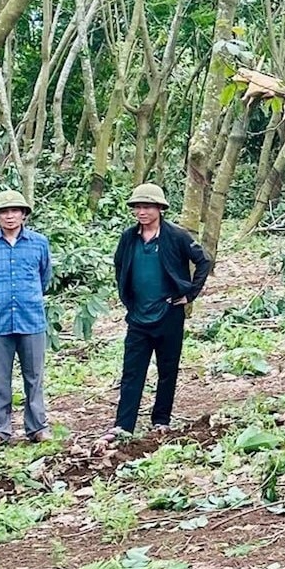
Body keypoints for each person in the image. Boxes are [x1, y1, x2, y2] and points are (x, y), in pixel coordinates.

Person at [111, 183, 212, 438]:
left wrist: (189, 294)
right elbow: (119, 265)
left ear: (159, 208)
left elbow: (203, 261)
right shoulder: (129, 237)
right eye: (137, 207)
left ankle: (161, 420)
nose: (141, 212)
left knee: (167, 369)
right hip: (138, 317)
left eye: (147, 207)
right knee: (132, 371)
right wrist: (128, 298)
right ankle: (124, 425)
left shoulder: (176, 236)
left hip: (168, 314)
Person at [0, 189, 53, 445]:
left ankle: (37, 427)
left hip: (31, 320)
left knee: (34, 377)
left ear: (24, 215)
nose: (10, 216)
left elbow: (45, 277)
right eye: (4, 212)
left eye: (15, 211)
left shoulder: (39, 243)